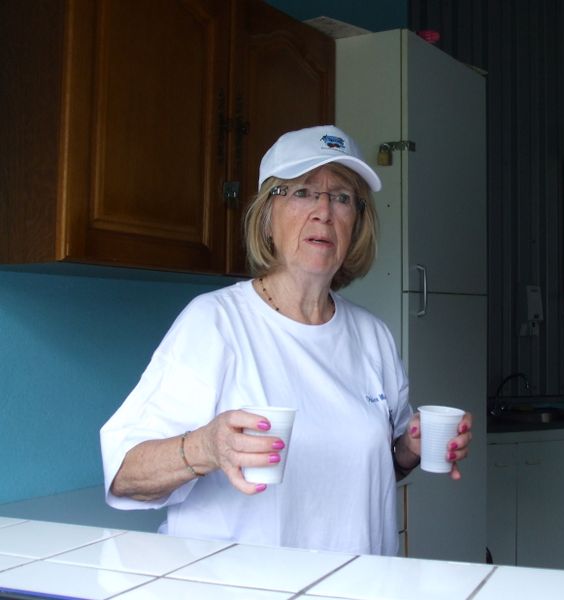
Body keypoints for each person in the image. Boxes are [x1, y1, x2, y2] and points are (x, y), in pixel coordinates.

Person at [100, 125, 473, 556]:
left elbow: (374, 471)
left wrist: (409, 449)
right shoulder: (216, 322)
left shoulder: (373, 336)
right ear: (267, 217)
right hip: (242, 584)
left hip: (356, 582)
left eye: (342, 198)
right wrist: (207, 447)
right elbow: (124, 475)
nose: (324, 212)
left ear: (357, 223)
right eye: (302, 192)